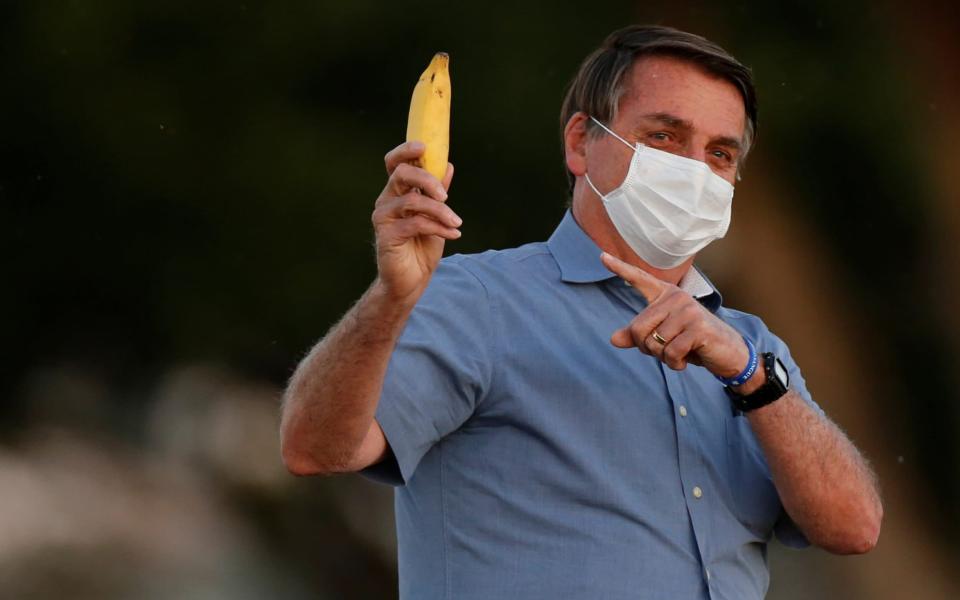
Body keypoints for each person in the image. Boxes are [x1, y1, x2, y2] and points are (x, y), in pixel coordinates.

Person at [280, 25, 883, 600]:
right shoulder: (479, 299)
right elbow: (316, 449)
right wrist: (389, 300)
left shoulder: (752, 348)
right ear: (580, 143)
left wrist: (752, 378)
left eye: (720, 153)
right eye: (664, 137)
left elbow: (855, 528)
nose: (695, 169)